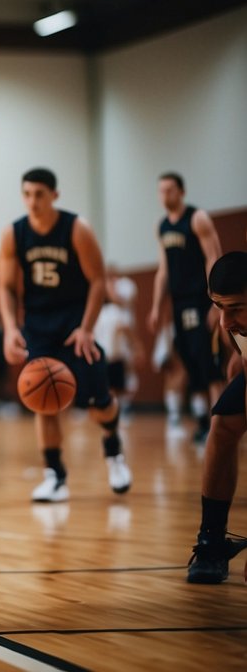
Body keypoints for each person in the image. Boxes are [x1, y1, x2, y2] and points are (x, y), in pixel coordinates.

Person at [0, 168, 131, 503]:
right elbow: (8, 287)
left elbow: (98, 281)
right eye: (27, 194)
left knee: (100, 403)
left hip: (75, 326)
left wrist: (86, 329)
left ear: (54, 195)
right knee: (43, 402)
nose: (32, 201)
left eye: (39, 194)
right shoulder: (14, 234)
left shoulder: (76, 229)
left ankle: (114, 451)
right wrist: (12, 328)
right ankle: (54, 476)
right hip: (39, 327)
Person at [149, 172, 225, 443]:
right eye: (161, 191)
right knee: (190, 363)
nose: (164, 195)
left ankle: (220, 423)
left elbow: (213, 257)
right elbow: (163, 269)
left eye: (169, 190)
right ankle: (205, 420)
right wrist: (157, 306)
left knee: (207, 361)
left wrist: (216, 301)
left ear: (181, 191)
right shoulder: (162, 227)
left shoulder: (197, 218)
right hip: (179, 303)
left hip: (199, 300)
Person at [186, 251, 247, 583]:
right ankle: (211, 538)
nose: (225, 322)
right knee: (223, 423)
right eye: (219, 307)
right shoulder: (234, 327)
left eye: (235, 308)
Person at [94, 274, 141, 415]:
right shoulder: (114, 312)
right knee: (117, 388)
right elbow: (126, 329)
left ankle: (114, 410)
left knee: (111, 388)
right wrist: (137, 346)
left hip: (104, 357)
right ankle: (119, 410)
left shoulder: (98, 314)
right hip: (113, 356)